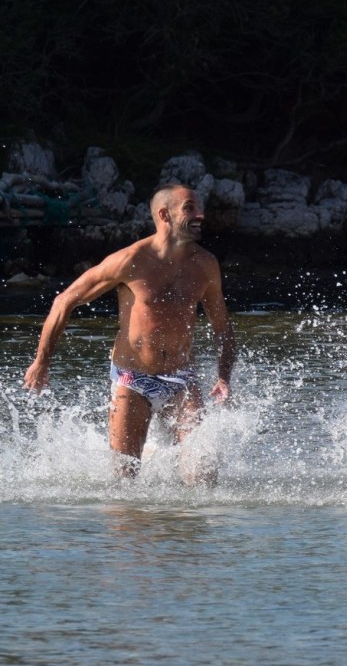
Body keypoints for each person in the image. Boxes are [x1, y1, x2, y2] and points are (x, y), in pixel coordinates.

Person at [23, 184, 236, 482]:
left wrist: (223, 376)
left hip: (181, 379)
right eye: (190, 208)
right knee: (124, 482)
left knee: (203, 479)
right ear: (165, 215)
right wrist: (41, 363)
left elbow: (222, 328)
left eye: (200, 207)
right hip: (132, 379)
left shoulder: (205, 264)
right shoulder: (131, 259)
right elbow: (64, 300)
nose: (200, 214)